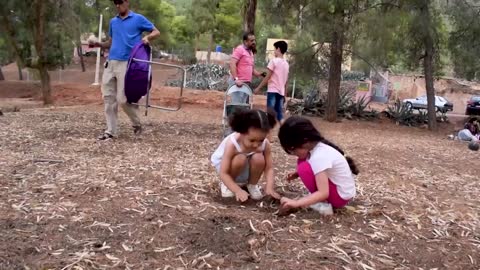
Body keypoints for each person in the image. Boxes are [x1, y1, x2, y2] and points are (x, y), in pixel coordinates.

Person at [90, 0, 160, 140]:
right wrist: (98, 44)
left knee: (123, 100)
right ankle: (111, 131)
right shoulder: (113, 22)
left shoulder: (138, 19)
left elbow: (156, 31)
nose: (118, 5)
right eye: (115, 3)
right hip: (111, 62)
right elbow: (110, 42)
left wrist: (147, 37)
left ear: (127, 2)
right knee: (108, 98)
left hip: (127, 63)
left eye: (120, 2)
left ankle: (136, 124)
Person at [278, 116, 358, 215]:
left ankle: (324, 203)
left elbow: (323, 193)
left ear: (305, 141)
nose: (293, 153)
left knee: (304, 168)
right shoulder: (318, 148)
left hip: (339, 197)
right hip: (344, 193)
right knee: (302, 163)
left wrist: (296, 203)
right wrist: (297, 173)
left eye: (293, 149)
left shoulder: (319, 157)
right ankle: (318, 199)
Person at [211, 108, 281, 202]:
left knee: (259, 157)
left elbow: (269, 168)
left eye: (261, 140)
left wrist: (269, 188)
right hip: (229, 168)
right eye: (252, 140)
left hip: (247, 164)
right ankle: (228, 185)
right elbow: (224, 173)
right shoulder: (232, 144)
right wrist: (238, 190)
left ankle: (252, 185)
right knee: (240, 158)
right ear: (241, 132)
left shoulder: (265, 144)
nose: (256, 144)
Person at [254, 40, 289, 123]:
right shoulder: (286, 64)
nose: (274, 51)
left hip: (273, 90)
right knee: (280, 115)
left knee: (269, 115)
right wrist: (285, 94)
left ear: (278, 49)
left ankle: (268, 135)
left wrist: (258, 88)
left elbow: (268, 77)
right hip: (281, 92)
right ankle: (285, 133)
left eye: (275, 49)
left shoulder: (273, 61)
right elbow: (286, 80)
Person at [229, 32, 265, 103]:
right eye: (251, 41)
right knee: (237, 105)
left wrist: (260, 74)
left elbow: (251, 69)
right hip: (238, 83)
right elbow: (232, 63)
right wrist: (236, 79)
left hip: (246, 84)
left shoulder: (250, 52)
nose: (254, 42)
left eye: (254, 40)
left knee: (244, 107)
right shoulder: (240, 49)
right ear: (245, 42)